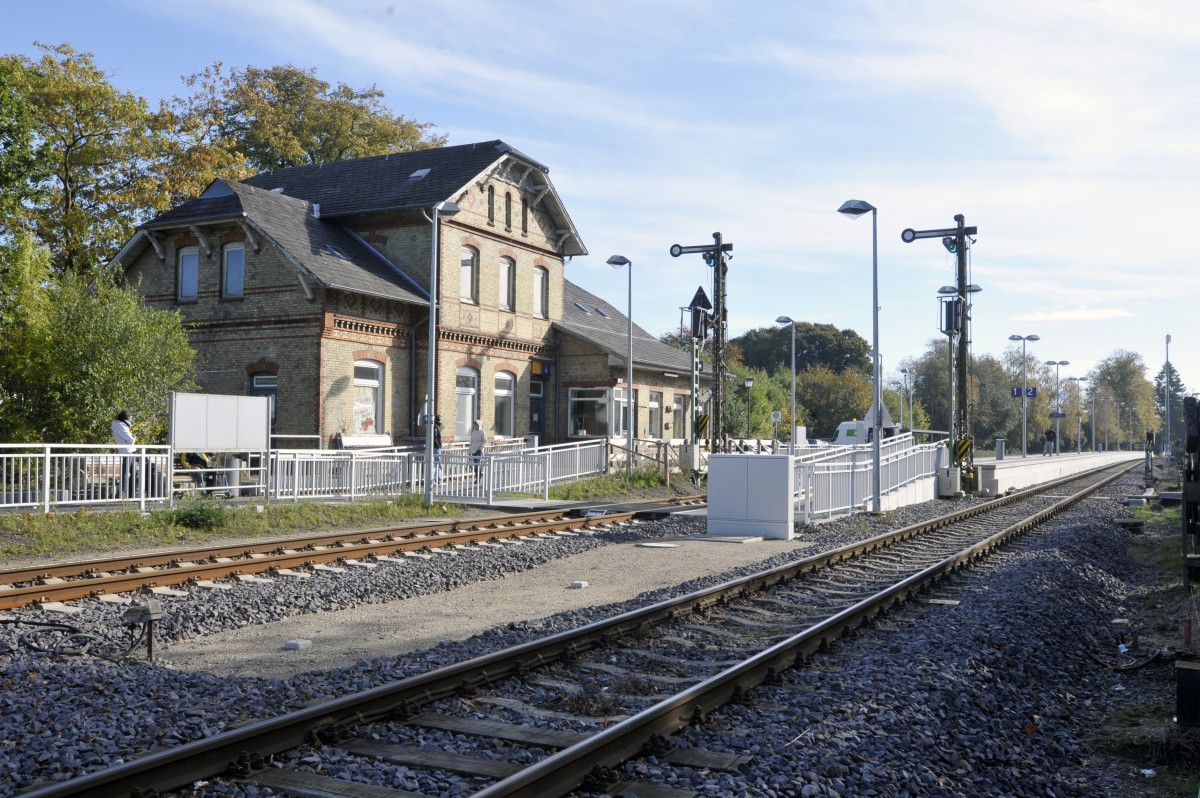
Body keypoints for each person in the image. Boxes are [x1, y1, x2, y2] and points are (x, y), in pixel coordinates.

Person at [111, 410, 137, 497]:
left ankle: (130, 493)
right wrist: (134, 437)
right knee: (126, 473)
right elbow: (130, 440)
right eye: (131, 416)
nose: (132, 417)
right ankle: (122, 493)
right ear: (127, 417)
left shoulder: (121, 425)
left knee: (134, 472)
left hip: (129, 451)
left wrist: (132, 438)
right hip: (127, 451)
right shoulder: (120, 426)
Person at [432, 414, 444, 487]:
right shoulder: (436, 427)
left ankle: (433, 481)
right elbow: (435, 437)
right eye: (441, 419)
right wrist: (438, 445)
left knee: (433, 465)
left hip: (434, 447)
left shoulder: (434, 426)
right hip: (436, 448)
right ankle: (439, 481)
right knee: (438, 464)